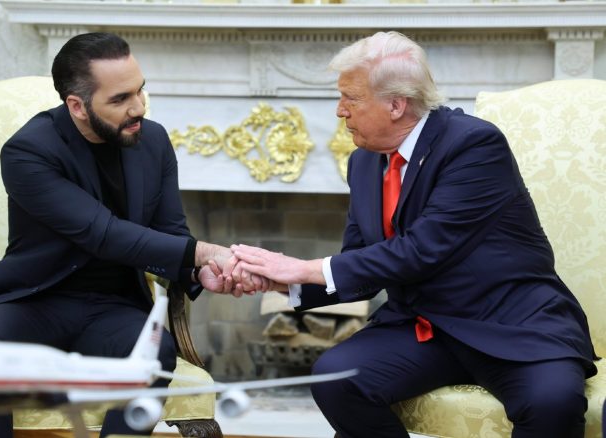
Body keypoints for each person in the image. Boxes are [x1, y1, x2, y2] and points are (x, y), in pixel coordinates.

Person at [229, 31, 598, 438]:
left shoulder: (473, 144)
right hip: (425, 329)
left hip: (510, 324)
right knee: (336, 379)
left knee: (553, 402)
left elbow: (422, 250)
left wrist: (301, 268)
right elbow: (361, 264)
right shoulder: (364, 163)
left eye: (351, 98)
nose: (339, 111)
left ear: (396, 104)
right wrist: (279, 280)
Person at [0, 32, 240, 437]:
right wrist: (204, 252)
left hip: (114, 305)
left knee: (154, 351)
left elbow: (171, 232)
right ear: (77, 106)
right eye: (120, 99)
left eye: (139, 91)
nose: (138, 107)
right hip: (35, 299)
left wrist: (196, 272)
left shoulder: (153, 140)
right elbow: (102, 234)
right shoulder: (28, 150)